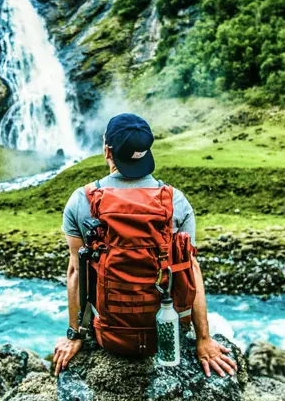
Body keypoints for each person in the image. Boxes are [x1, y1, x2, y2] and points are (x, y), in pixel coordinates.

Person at [53, 113, 237, 378]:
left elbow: (76, 273)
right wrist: (203, 340)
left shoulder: (82, 200)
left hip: (110, 337)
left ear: (107, 151)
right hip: (166, 337)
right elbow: (191, 269)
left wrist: (74, 335)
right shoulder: (176, 201)